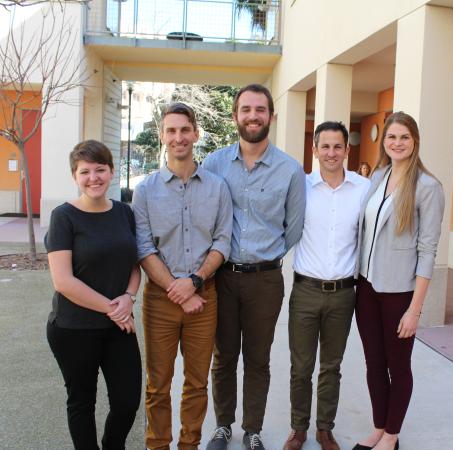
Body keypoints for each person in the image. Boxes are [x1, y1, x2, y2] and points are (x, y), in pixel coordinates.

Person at [203, 83, 306, 450]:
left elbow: (293, 228)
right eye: (245, 109)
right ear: (235, 116)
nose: (252, 116)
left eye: (260, 109)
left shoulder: (290, 170)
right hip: (223, 277)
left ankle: (252, 430)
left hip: (266, 279)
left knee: (258, 359)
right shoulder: (214, 164)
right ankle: (223, 426)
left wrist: (268, 253)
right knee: (224, 355)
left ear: (271, 117)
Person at [132, 102, 233, 450]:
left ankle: (189, 444)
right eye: (171, 131)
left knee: (196, 382)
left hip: (205, 296)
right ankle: (157, 445)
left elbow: (222, 241)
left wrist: (194, 282)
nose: (179, 137)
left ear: (196, 133)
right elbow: (144, 247)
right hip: (160, 300)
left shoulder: (218, 187)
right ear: (162, 136)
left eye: (184, 130)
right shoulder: (145, 190)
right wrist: (178, 289)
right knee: (157, 384)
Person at [353, 112, 444, 450]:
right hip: (366, 287)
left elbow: (428, 250)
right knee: (373, 362)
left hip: (399, 294)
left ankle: (391, 436)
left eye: (404, 137)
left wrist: (415, 310)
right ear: (384, 142)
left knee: (397, 364)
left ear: (415, 141)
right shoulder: (378, 176)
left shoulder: (427, 187)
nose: (397, 143)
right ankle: (379, 426)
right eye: (391, 137)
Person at [46, 140, 142, 450]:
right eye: (85, 171)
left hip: (118, 327)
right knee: (82, 403)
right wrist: (114, 309)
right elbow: (63, 281)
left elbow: (134, 264)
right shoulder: (64, 217)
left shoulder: (125, 213)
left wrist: (129, 296)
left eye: (100, 169)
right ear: (75, 176)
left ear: (112, 172)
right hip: (73, 328)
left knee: (127, 401)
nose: (93, 177)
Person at [284, 121, 370, 450]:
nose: (331, 153)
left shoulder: (364, 189)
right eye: (325, 147)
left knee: (331, 366)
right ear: (315, 150)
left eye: (338, 147)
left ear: (347, 150)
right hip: (305, 291)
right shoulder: (300, 187)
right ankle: (298, 428)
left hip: (343, 294)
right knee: (301, 366)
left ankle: (324, 428)